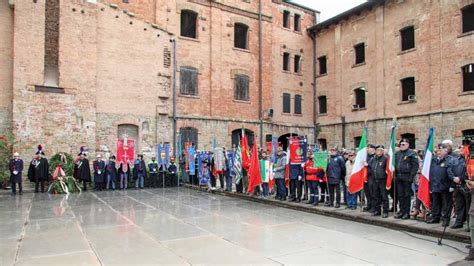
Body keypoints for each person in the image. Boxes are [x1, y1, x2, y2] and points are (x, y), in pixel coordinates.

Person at [426, 144, 455, 226]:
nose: (438, 152)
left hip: (445, 185)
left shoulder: (450, 160)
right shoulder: (434, 159)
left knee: (446, 204)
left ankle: (446, 219)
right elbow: (431, 172)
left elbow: (453, 173)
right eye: (438, 150)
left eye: (441, 150)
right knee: (436, 202)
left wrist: (452, 185)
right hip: (435, 184)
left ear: (446, 151)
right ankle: (435, 217)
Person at [394, 138, 419, 219]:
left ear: (408, 145)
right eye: (401, 144)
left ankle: (406, 212)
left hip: (407, 177)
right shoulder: (398, 153)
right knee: (400, 195)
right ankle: (401, 211)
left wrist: (411, 177)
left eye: (404, 144)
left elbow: (415, 166)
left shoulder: (412, 153)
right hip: (399, 177)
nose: (402, 146)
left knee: (406, 196)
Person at [451, 143, 471, 229]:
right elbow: (452, 169)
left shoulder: (469, 159)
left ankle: (469, 224)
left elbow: (469, 172)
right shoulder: (457, 159)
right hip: (457, 184)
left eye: (463, 148)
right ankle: (459, 222)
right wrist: (453, 177)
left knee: (468, 206)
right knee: (459, 204)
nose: (461, 149)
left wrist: (461, 178)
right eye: (460, 148)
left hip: (466, 184)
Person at [370, 145, 389, 218]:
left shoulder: (385, 159)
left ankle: (385, 211)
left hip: (382, 180)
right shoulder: (374, 158)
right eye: (377, 150)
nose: (378, 151)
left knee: (384, 196)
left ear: (383, 151)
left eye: (380, 150)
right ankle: (377, 210)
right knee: (376, 196)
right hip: (374, 179)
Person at [363, 144, 376, 212]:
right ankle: (369, 205)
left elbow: (374, 166)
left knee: (372, 193)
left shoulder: (374, 157)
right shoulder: (366, 156)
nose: (367, 149)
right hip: (365, 176)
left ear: (373, 149)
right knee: (367, 192)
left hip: (372, 177)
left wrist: (368, 165)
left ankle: (373, 207)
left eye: (369, 148)